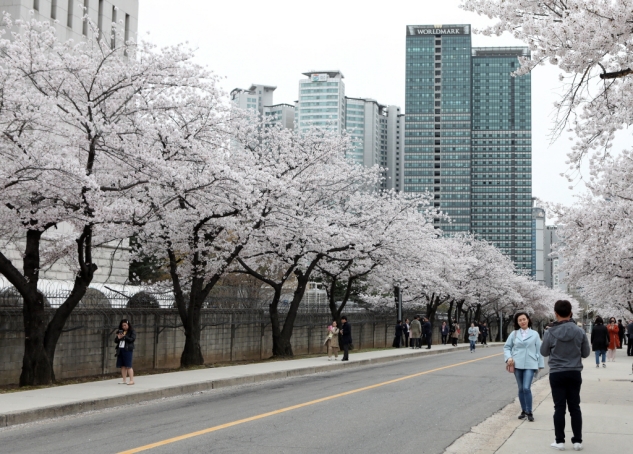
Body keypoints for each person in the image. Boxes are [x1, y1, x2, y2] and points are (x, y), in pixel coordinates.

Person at [540, 300, 590, 451]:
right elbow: (586, 353)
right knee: (575, 406)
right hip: (574, 372)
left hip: (557, 373)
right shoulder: (579, 331)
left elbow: (544, 352)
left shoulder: (550, 332)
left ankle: (560, 441)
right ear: (571, 313)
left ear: (555, 313)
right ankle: (577, 441)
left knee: (559, 407)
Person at [504, 311, 544, 422]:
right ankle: (523, 410)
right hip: (517, 363)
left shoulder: (535, 334)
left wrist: (540, 365)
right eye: (520, 320)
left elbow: (539, 350)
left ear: (528, 319)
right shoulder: (514, 334)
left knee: (526, 387)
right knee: (521, 388)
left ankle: (529, 411)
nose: (522, 321)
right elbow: (507, 347)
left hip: (530, 364)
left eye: (524, 319)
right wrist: (508, 358)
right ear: (517, 322)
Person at [114, 319, 136, 385]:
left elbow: (132, 339)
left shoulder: (132, 332)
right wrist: (118, 337)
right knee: (122, 365)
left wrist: (125, 337)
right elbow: (115, 340)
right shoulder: (120, 331)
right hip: (121, 349)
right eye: (122, 325)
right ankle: (124, 379)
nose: (124, 327)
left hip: (127, 349)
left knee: (128, 365)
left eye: (125, 325)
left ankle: (131, 380)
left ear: (128, 325)